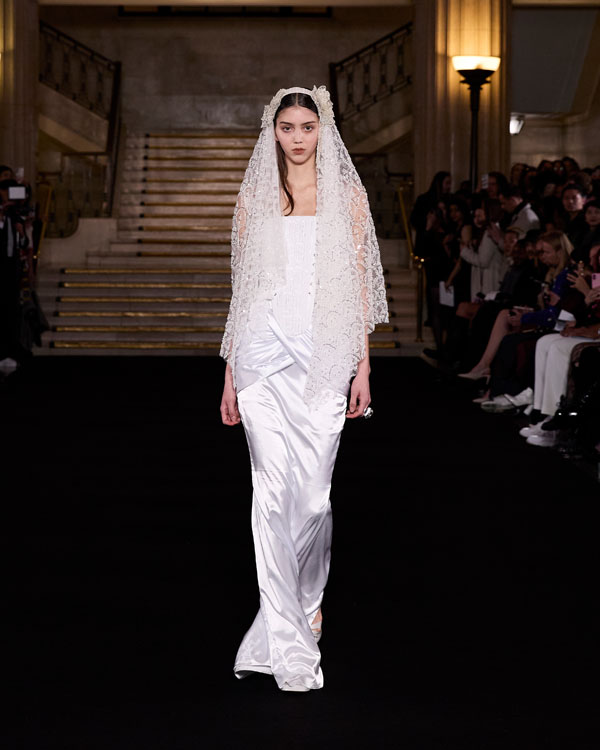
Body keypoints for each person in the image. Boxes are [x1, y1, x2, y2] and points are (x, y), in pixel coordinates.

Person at [219, 85, 388, 693]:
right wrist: (231, 373)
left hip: (324, 351)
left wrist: (362, 367)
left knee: (313, 498)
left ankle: (307, 601)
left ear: (323, 130)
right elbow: (242, 289)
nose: (297, 137)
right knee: (270, 493)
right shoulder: (254, 198)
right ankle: (288, 639)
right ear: (273, 131)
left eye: (307, 127)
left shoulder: (348, 197)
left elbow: (358, 287)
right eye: (287, 127)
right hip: (261, 353)